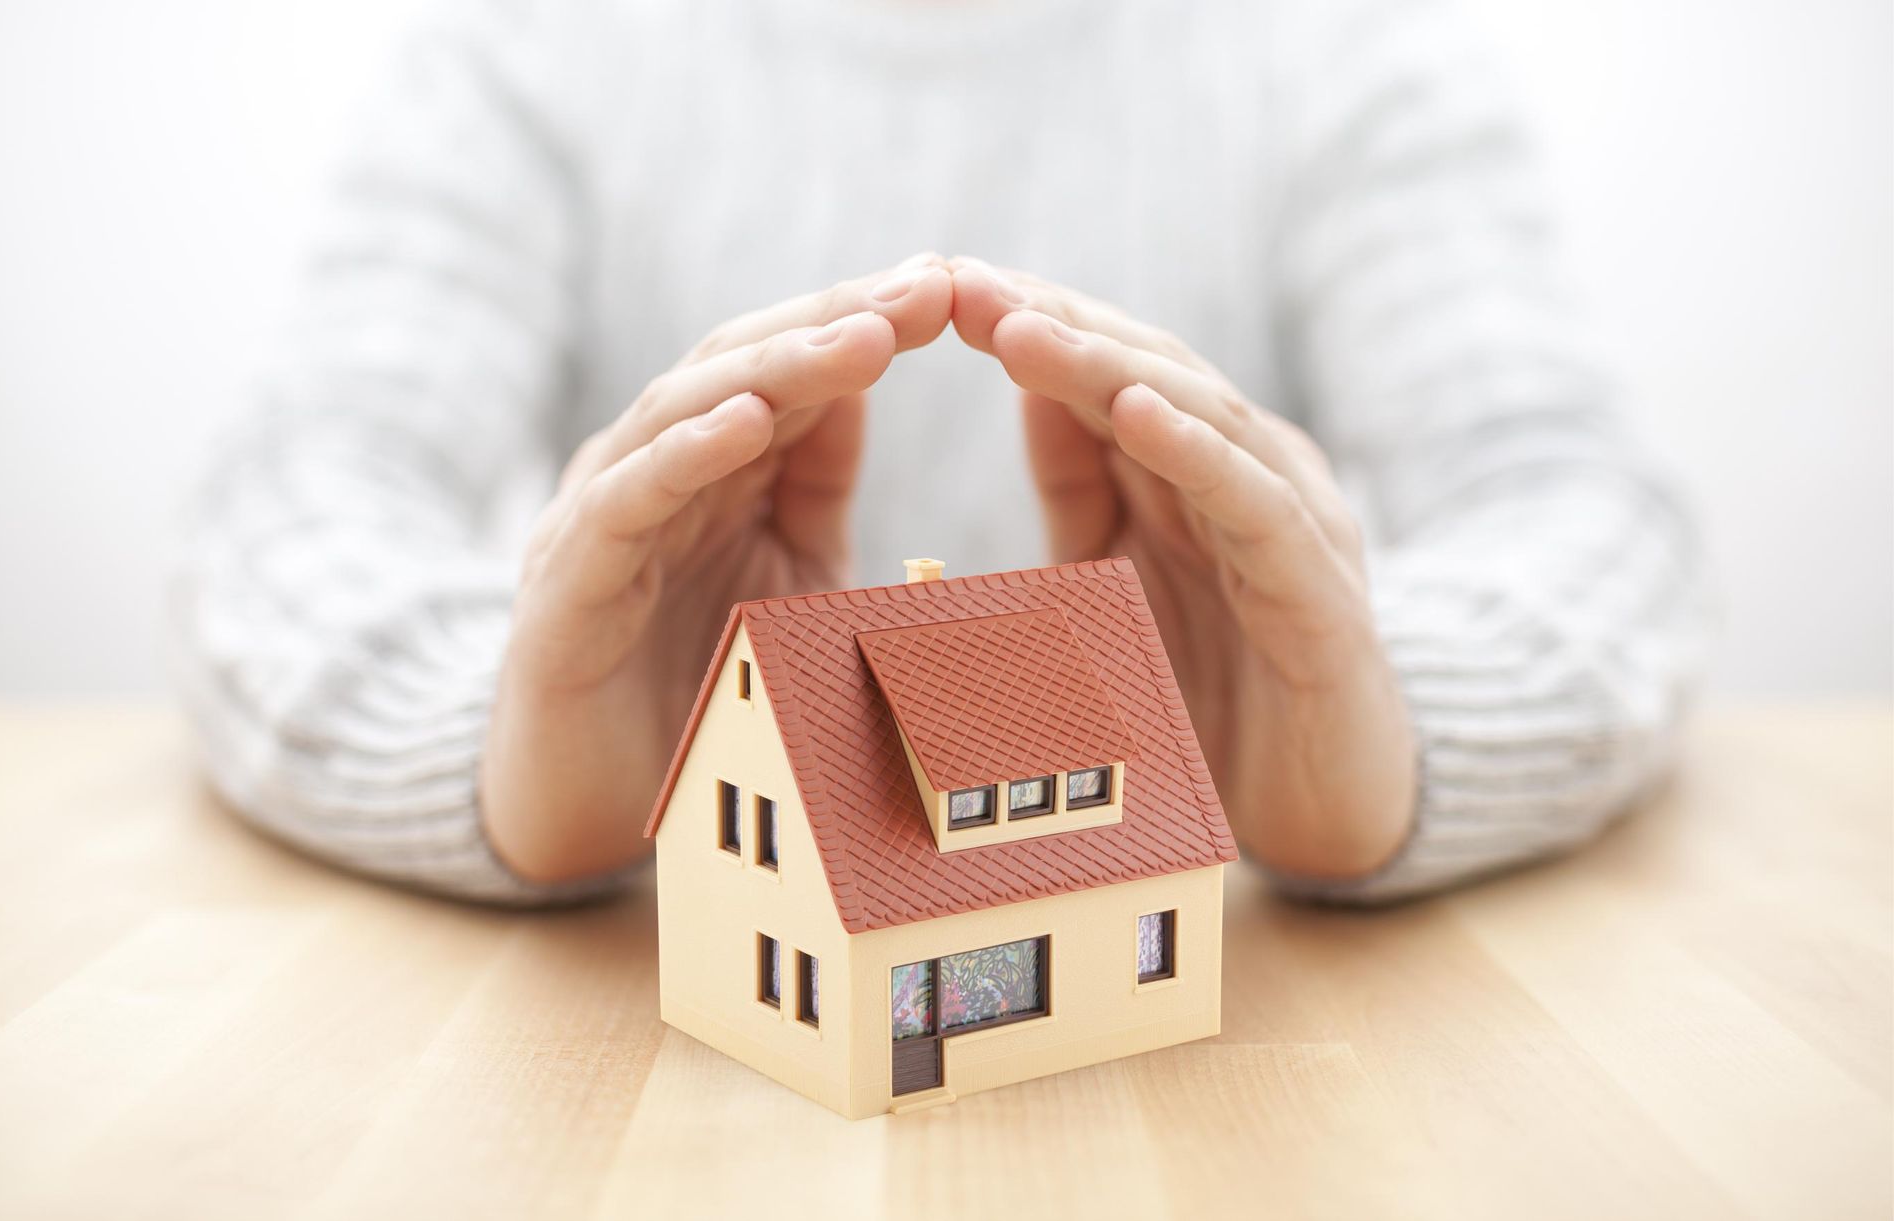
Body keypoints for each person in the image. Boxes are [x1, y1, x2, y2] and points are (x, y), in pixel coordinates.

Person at [172, 0, 1706, 907]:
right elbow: (300, 490)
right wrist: (507, 749)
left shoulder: (1337, 45)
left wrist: (1393, 733)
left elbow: (1569, 492)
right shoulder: (537, 45)